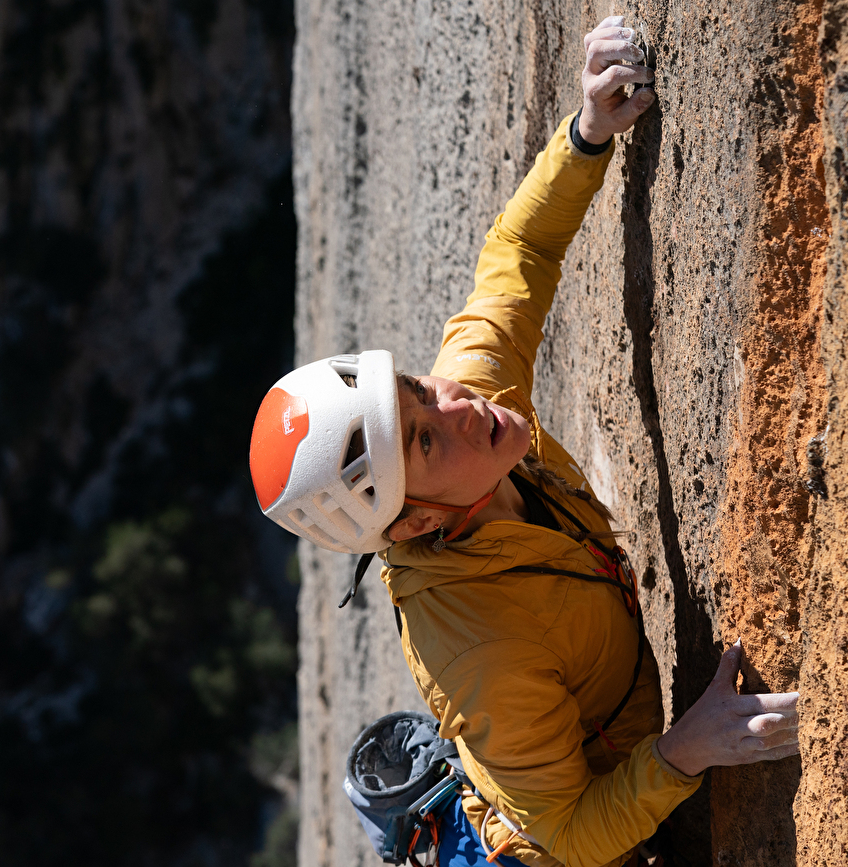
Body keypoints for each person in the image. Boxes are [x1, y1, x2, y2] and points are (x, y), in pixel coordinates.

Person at [248, 15, 800, 867]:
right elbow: (572, 834)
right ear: (413, 526)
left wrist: (586, 134)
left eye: (418, 391)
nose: (459, 404)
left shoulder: (465, 403)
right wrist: (689, 748)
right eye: (426, 441)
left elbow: (518, 253)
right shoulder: (483, 653)